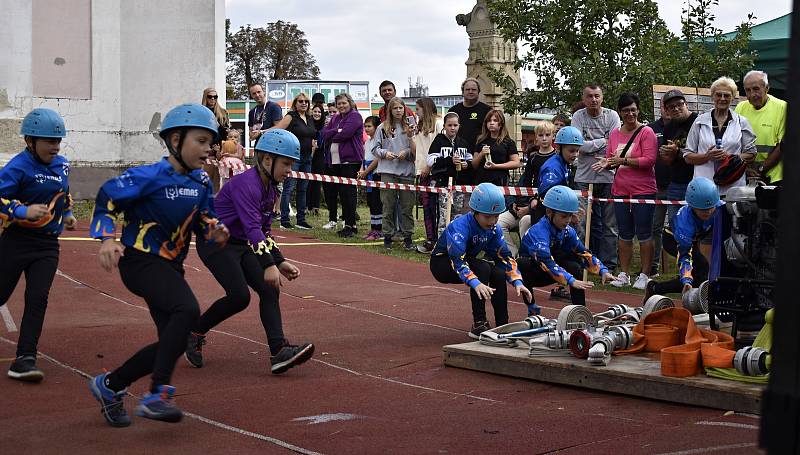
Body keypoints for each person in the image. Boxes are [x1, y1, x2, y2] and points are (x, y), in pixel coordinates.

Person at [88, 104, 229, 426]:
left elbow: (205, 218)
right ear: (175, 140)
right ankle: (157, 394)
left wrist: (214, 230)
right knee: (188, 311)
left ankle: (110, 386)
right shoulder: (146, 177)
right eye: (202, 140)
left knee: (173, 342)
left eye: (212, 142)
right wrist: (107, 238)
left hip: (171, 268)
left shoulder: (202, 183)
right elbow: (107, 199)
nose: (209, 148)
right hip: (140, 262)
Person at [184, 128, 314, 373]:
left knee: (269, 289)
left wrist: (280, 261)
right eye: (286, 164)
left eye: (291, 165)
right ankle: (195, 332)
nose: (289, 171)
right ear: (267, 159)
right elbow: (253, 227)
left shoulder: (269, 189)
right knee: (239, 296)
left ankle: (279, 351)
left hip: (242, 243)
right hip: (216, 243)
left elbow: (264, 229)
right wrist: (268, 265)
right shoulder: (246, 184)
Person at [0, 108, 76, 382]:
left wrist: (67, 215)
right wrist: (22, 211)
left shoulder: (62, 165)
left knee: (37, 299)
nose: (55, 147)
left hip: (47, 246)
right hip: (16, 242)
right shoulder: (17, 167)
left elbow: (63, 194)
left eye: (58, 141)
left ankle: (25, 358)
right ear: (30, 141)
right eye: (49, 141)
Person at [429, 183, 532, 338]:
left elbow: (504, 257)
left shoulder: (494, 229)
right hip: (443, 263)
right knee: (483, 268)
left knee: (497, 272)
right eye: (487, 217)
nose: (492, 221)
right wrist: (475, 283)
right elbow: (457, 261)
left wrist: (517, 281)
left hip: (467, 260)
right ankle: (479, 323)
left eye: (497, 216)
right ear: (474, 212)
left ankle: (503, 325)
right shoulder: (459, 228)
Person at [591, 93, 658, 290]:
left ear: (638, 110)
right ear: (620, 112)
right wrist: (607, 163)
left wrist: (622, 161)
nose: (630, 113)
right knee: (624, 233)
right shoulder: (614, 134)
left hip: (643, 190)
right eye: (625, 110)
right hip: (620, 190)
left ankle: (646, 273)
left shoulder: (647, 132)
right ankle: (624, 273)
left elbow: (649, 160)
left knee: (644, 233)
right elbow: (611, 158)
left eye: (633, 109)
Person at [518, 186, 617, 315]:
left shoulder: (567, 231)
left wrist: (603, 271)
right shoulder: (539, 233)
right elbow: (547, 263)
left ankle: (580, 313)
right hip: (534, 272)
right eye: (564, 216)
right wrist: (571, 280)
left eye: (570, 216)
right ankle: (532, 309)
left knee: (575, 265)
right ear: (549, 213)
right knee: (521, 263)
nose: (568, 221)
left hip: (552, 268)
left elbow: (583, 253)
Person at [642, 177, 722, 301]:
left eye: (711, 208)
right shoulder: (684, 224)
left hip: (693, 239)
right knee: (699, 271)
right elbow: (685, 255)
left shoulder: (718, 206)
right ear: (692, 206)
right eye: (702, 210)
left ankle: (655, 288)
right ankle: (695, 297)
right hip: (672, 240)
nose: (708, 212)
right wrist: (686, 278)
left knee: (700, 274)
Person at [572, 84, 621, 271]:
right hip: (584, 175)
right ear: (584, 99)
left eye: (597, 96)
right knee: (581, 221)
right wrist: (602, 141)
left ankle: (608, 264)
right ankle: (581, 260)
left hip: (608, 175)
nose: (593, 100)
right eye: (590, 96)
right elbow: (577, 145)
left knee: (610, 224)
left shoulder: (612, 116)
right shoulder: (578, 116)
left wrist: (591, 144)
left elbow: (614, 145)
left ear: (602, 97)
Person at [684, 77, 757, 196]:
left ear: (733, 97)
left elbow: (751, 154)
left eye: (727, 95)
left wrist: (729, 158)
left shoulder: (742, 122)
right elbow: (687, 156)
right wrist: (707, 156)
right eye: (719, 95)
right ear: (712, 96)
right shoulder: (699, 122)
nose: (722, 99)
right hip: (703, 189)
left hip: (733, 189)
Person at [498, 121, 555, 257]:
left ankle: (528, 256)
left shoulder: (557, 158)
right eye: (541, 135)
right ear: (536, 138)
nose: (544, 138)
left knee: (525, 222)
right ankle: (515, 256)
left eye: (548, 135)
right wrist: (515, 205)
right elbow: (526, 184)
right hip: (525, 204)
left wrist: (530, 207)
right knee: (499, 223)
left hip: (543, 208)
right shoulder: (533, 158)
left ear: (553, 136)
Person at [374, 97, 417, 250]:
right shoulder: (382, 128)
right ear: (390, 111)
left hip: (406, 171)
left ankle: (408, 237)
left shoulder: (411, 127)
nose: (398, 111)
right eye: (395, 108)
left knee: (407, 206)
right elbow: (375, 149)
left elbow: (417, 150)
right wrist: (385, 153)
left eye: (401, 108)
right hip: (388, 171)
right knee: (388, 205)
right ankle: (387, 237)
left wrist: (407, 152)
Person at [320, 93, 365, 237]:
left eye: (344, 103)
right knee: (340, 193)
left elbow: (346, 134)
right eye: (339, 103)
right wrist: (335, 131)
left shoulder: (355, 116)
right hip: (335, 161)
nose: (341, 106)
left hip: (350, 160)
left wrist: (335, 133)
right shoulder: (336, 118)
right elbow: (324, 134)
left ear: (350, 103)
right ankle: (347, 222)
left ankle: (350, 225)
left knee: (348, 193)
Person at [734, 70, 787, 184]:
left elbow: (782, 145)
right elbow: (735, 142)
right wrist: (745, 169)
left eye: (756, 89)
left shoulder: (782, 108)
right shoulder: (740, 108)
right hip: (746, 175)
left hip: (774, 177)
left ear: (766, 88)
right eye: (748, 90)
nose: (752, 94)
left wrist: (761, 168)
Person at [272, 93, 316, 230]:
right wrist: (261, 132)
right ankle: (284, 220)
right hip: (293, 158)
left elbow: (312, 138)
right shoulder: (291, 116)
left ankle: (301, 220)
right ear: (295, 103)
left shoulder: (310, 118)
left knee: (303, 189)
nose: (304, 103)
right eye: (300, 101)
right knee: (289, 188)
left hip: (307, 158)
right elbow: (278, 129)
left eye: (306, 101)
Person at [657, 89, 699, 228]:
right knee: (675, 226)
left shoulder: (698, 122)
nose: (676, 109)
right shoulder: (669, 128)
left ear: (686, 104)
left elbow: (703, 153)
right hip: (675, 183)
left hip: (695, 181)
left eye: (679, 104)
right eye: (671, 107)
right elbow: (668, 160)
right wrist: (665, 154)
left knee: (696, 225)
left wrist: (677, 152)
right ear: (667, 111)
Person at [428, 112, 472, 236]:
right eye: (449, 125)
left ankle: (456, 240)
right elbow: (430, 160)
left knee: (458, 215)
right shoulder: (439, 140)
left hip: (459, 185)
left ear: (459, 126)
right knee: (444, 215)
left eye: (455, 125)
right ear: (444, 126)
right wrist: (449, 160)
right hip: (444, 185)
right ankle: (442, 243)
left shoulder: (463, 142)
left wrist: (466, 164)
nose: (452, 128)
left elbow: (470, 159)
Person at [413, 97, 444, 253]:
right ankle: (430, 239)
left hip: (435, 173)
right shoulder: (418, 127)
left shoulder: (439, 124)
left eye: (418, 109)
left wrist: (428, 165)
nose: (416, 112)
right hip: (422, 172)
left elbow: (442, 148)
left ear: (425, 108)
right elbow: (417, 150)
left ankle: (438, 241)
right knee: (427, 207)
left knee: (436, 207)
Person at [648, 96, 672, 276]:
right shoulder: (651, 129)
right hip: (656, 187)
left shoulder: (684, 127)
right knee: (654, 228)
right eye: (664, 106)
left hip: (677, 187)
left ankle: (684, 269)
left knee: (678, 229)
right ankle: (653, 267)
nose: (667, 110)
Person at [472, 109, 521, 186]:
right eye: (489, 121)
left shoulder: (508, 142)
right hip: (482, 181)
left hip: (500, 180)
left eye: (495, 120)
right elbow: (474, 164)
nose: (491, 123)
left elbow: (516, 163)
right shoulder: (481, 141)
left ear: (501, 124)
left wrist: (495, 166)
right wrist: (481, 154)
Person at [357, 115, 383, 240]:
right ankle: (373, 228)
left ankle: (379, 230)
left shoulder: (379, 142)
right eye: (365, 126)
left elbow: (377, 160)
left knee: (377, 202)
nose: (366, 129)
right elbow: (364, 158)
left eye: (369, 126)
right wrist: (362, 170)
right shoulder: (367, 142)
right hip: (368, 175)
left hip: (376, 175)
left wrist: (366, 171)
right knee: (371, 202)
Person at [448, 78, 492, 150]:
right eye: (467, 89)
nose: (470, 92)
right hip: (458, 153)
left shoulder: (487, 111)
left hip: (480, 153)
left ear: (478, 92)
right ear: (462, 92)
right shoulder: (453, 111)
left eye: (474, 89)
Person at [201, 87, 230, 192]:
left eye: (215, 97)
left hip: (218, 151)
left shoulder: (223, 113)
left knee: (216, 182)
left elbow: (226, 134)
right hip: (205, 152)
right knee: (204, 182)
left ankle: (214, 206)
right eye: (210, 97)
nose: (213, 99)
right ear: (205, 97)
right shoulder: (201, 112)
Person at [307, 104, 326, 216]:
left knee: (317, 181)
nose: (317, 114)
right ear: (312, 112)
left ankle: (315, 207)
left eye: (319, 112)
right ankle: (306, 206)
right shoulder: (308, 123)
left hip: (320, 155)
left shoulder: (325, 125)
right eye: (315, 111)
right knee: (307, 180)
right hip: (308, 153)